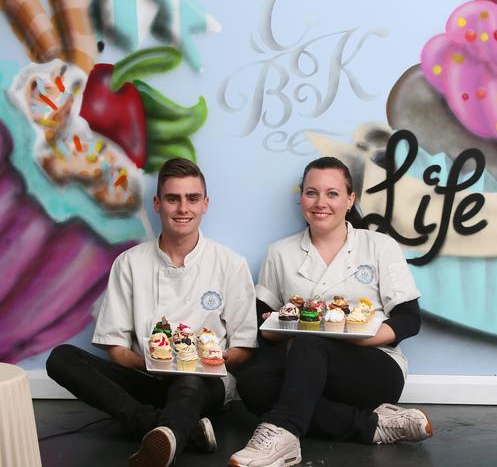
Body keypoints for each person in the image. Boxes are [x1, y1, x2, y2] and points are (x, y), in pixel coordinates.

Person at [46, 158, 258, 467]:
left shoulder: (230, 264)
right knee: (62, 358)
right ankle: (168, 427)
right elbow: (115, 346)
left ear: (205, 204)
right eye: (173, 199)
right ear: (158, 204)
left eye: (192, 199)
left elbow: (244, 348)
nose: (183, 208)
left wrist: (211, 361)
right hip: (144, 376)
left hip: (201, 383)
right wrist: (149, 362)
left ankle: (163, 430)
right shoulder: (129, 263)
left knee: (189, 378)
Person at [229, 157, 432, 467]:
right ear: (301, 198)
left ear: (350, 200)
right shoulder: (279, 252)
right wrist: (271, 329)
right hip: (301, 367)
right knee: (252, 384)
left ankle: (282, 433)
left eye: (332, 193)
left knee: (312, 341)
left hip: (371, 368)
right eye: (311, 192)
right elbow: (263, 320)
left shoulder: (379, 246)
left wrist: (364, 338)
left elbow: (409, 319)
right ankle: (374, 426)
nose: (320, 202)